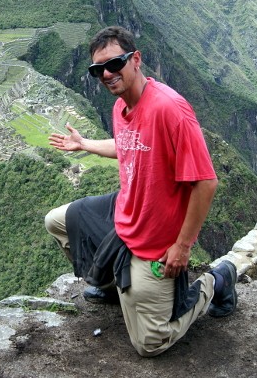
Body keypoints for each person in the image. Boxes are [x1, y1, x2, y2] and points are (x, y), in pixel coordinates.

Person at [44, 26, 237, 357]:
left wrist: (182, 246)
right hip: (127, 211)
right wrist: (84, 144)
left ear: (135, 60)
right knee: (58, 221)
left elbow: (206, 182)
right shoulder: (121, 107)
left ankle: (217, 281)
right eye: (97, 69)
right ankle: (111, 285)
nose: (106, 74)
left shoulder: (169, 109)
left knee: (150, 343)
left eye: (114, 63)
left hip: (156, 237)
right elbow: (127, 146)